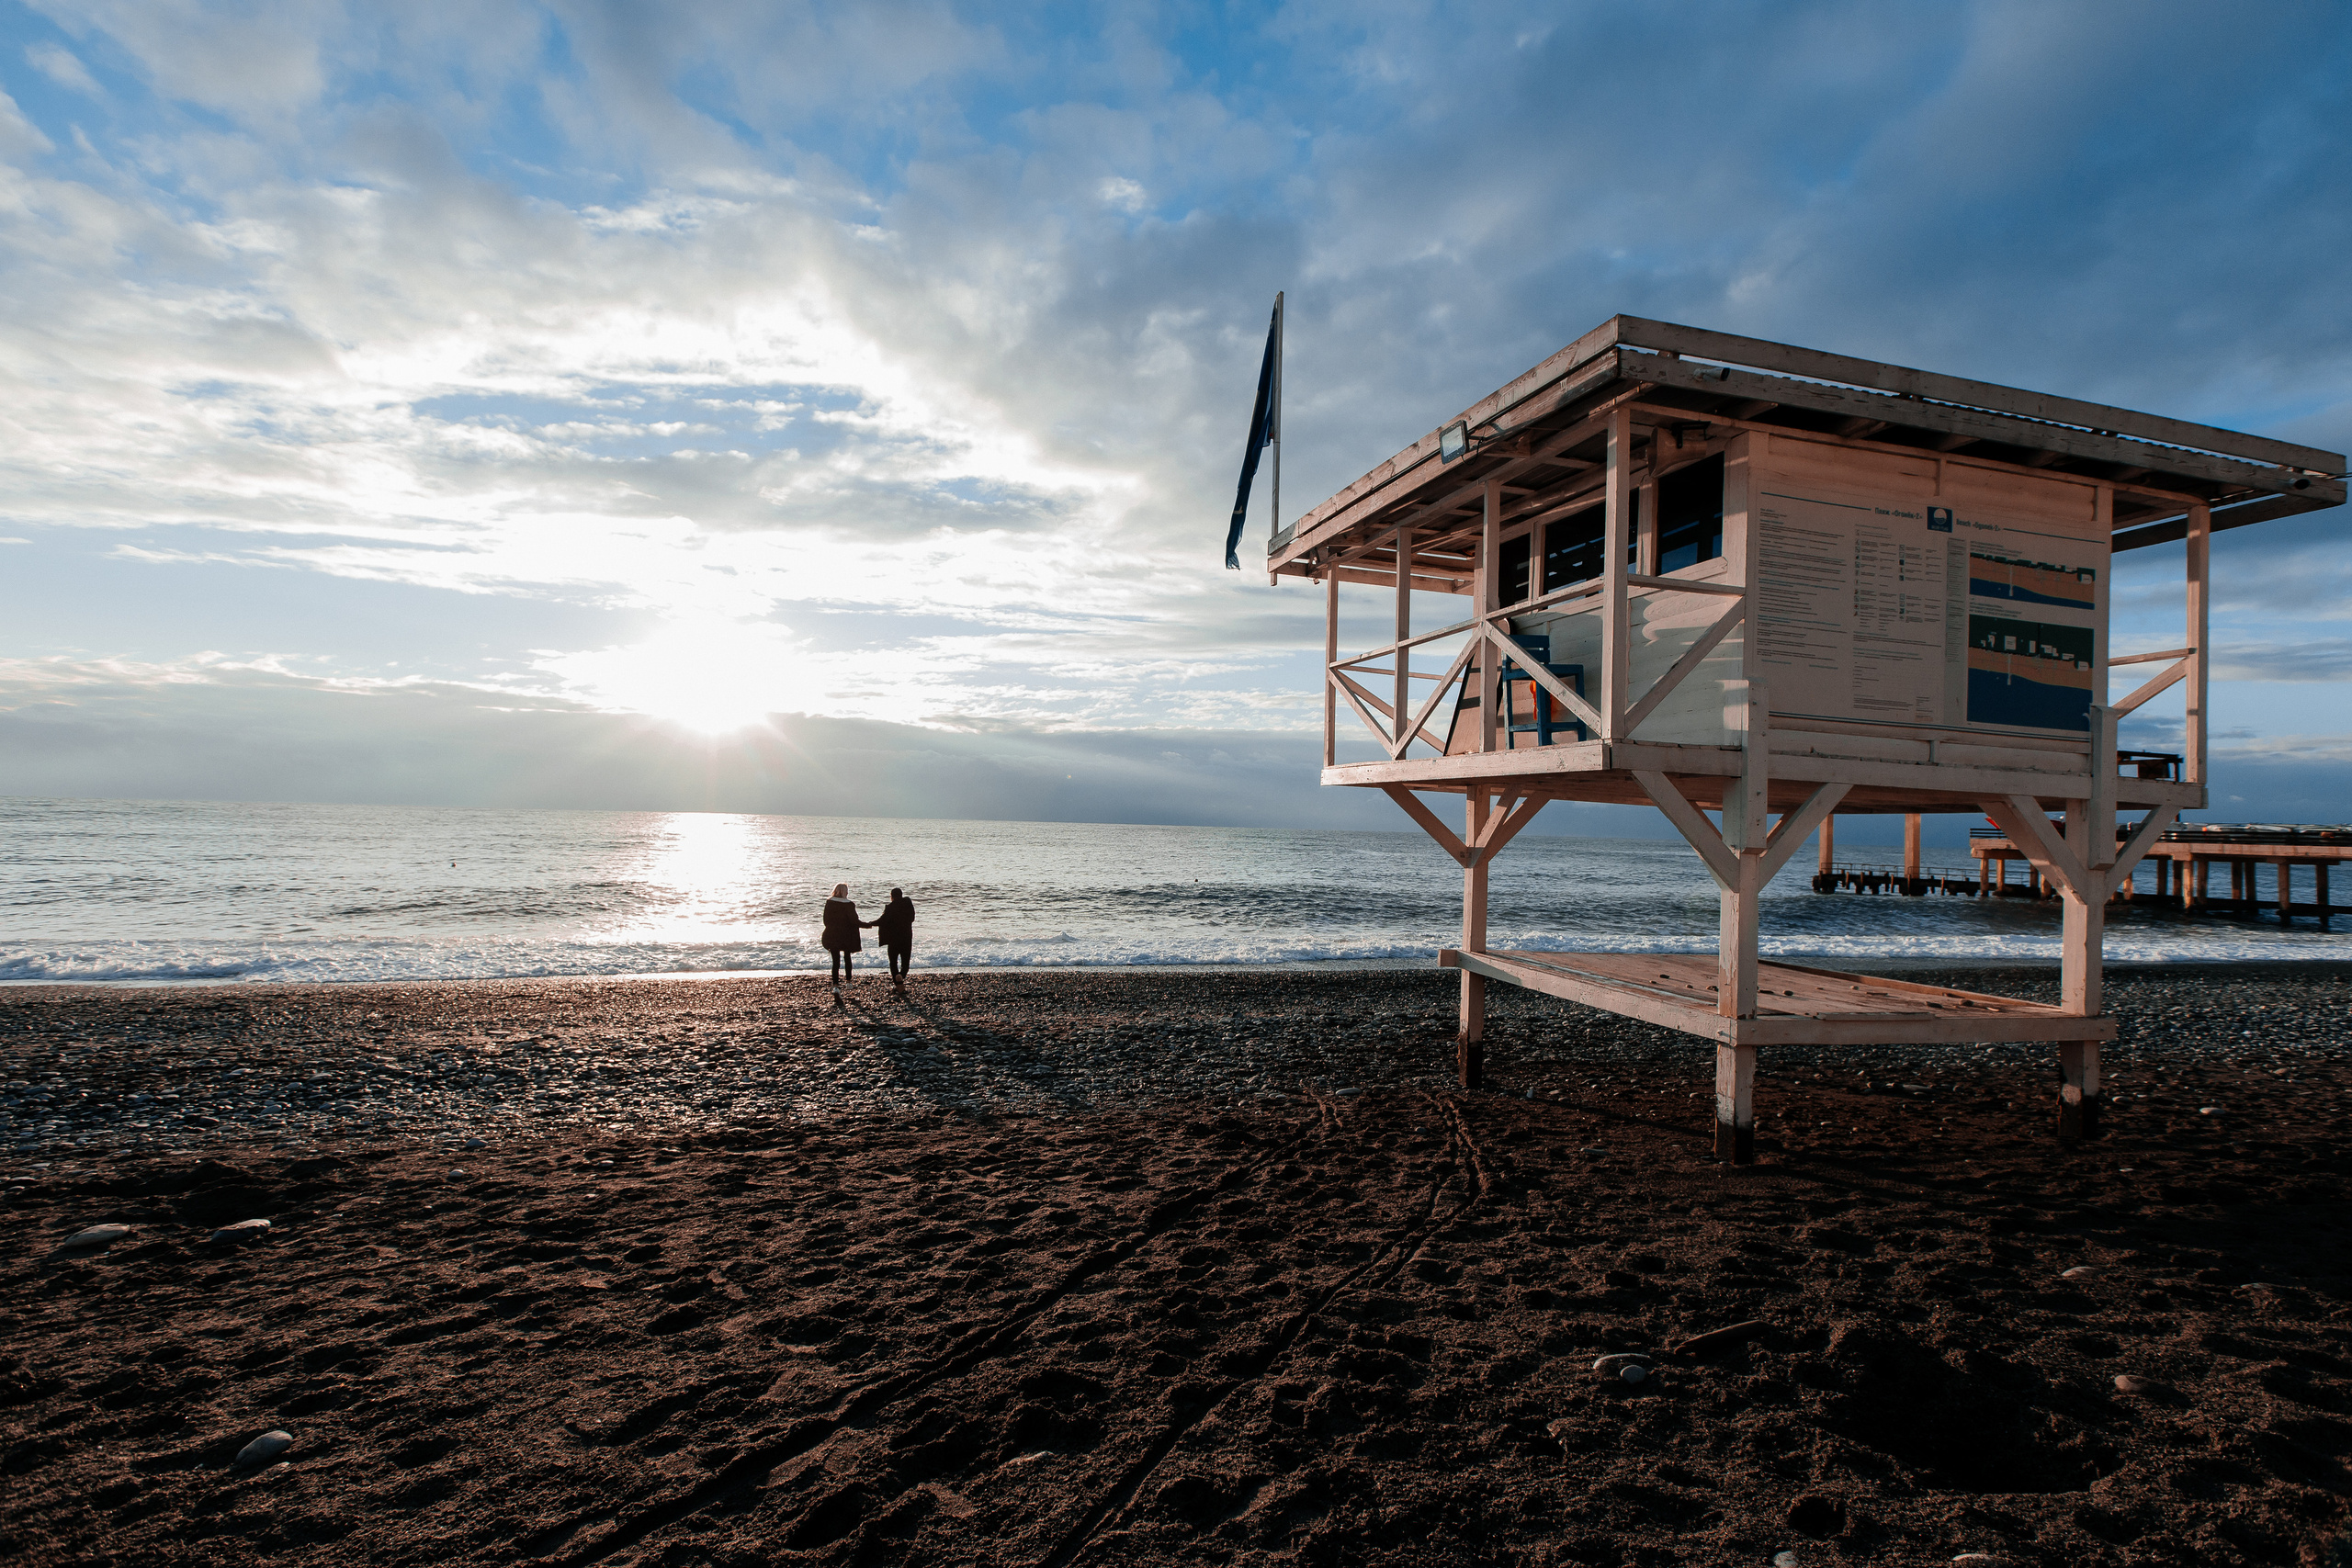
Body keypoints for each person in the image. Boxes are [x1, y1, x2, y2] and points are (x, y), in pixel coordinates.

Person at [821, 883, 875, 987]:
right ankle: (848, 981)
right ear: (845, 892)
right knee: (847, 958)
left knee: (835, 961)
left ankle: (835, 984)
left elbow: (826, 921)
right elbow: (854, 921)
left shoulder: (829, 903)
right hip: (846, 936)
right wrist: (868, 925)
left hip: (831, 935)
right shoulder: (849, 904)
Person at [875, 886, 915, 988]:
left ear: (892, 897)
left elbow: (882, 921)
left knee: (893, 962)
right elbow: (912, 918)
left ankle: (897, 983)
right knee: (905, 963)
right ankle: (901, 976)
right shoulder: (908, 904)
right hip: (906, 937)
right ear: (901, 895)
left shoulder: (890, 908)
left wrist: (869, 924)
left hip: (893, 939)